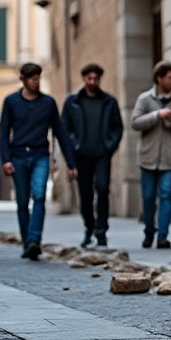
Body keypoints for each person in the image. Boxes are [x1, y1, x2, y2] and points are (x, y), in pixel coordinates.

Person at [0, 63, 77, 261]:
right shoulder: (11, 102)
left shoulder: (48, 103)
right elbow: (4, 132)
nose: (36, 82)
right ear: (23, 79)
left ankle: (35, 239)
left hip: (40, 155)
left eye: (38, 78)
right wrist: (5, 159)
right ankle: (28, 243)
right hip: (17, 156)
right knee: (22, 201)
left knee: (40, 195)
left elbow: (60, 132)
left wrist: (71, 162)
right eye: (32, 78)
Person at [130, 60, 171, 249]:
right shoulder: (144, 99)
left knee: (166, 196)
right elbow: (135, 123)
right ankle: (149, 231)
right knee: (149, 197)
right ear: (159, 78)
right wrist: (157, 115)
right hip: (148, 158)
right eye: (170, 77)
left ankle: (163, 236)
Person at [61, 63, 125, 248]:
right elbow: (65, 128)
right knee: (85, 194)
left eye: (96, 79)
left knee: (103, 189)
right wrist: (74, 146)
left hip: (102, 154)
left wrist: (110, 146)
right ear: (84, 79)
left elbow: (117, 127)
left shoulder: (109, 102)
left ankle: (102, 230)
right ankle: (89, 227)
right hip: (82, 155)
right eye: (89, 78)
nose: (93, 82)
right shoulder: (73, 102)